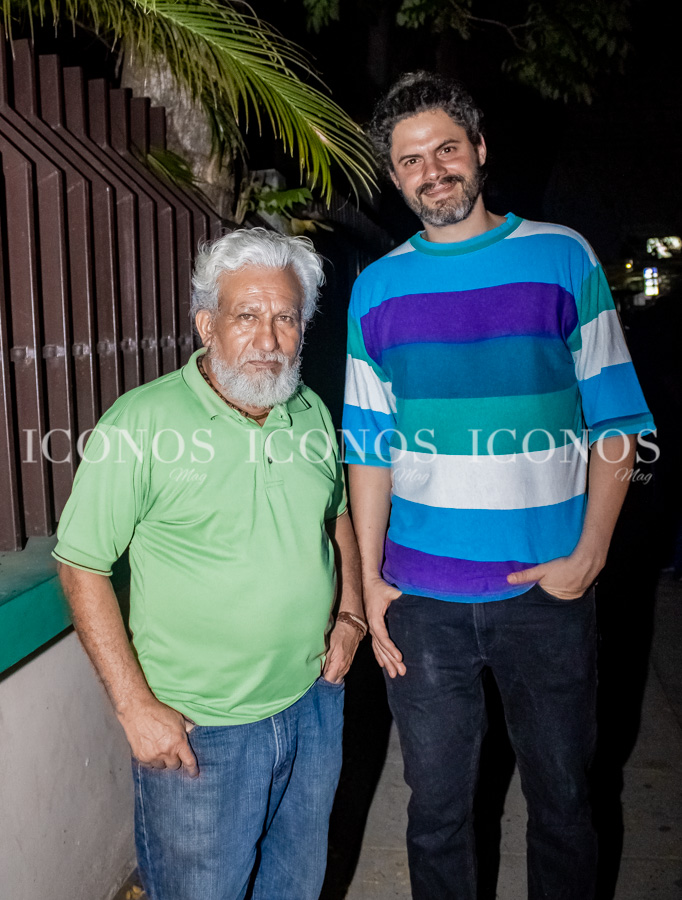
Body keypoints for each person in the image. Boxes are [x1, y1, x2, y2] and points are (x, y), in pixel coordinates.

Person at [342, 71, 655, 900]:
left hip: (546, 591)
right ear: (395, 176)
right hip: (422, 600)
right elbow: (367, 450)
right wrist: (370, 584)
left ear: (479, 151)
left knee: (564, 800)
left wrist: (589, 555)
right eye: (411, 159)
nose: (432, 169)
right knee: (436, 810)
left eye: (447, 148)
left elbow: (617, 418)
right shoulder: (377, 288)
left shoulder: (562, 256)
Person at [55, 227, 366, 900]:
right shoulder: (140, 425)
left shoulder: (308, 411)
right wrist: (135, 706)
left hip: (313, 705)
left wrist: (352, 612)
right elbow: (81, 564)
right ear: (207, 324)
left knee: (297, 886)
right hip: (202, 732)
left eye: (286, 316)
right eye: (246, 315)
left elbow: (335, 514)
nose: (269, 337)